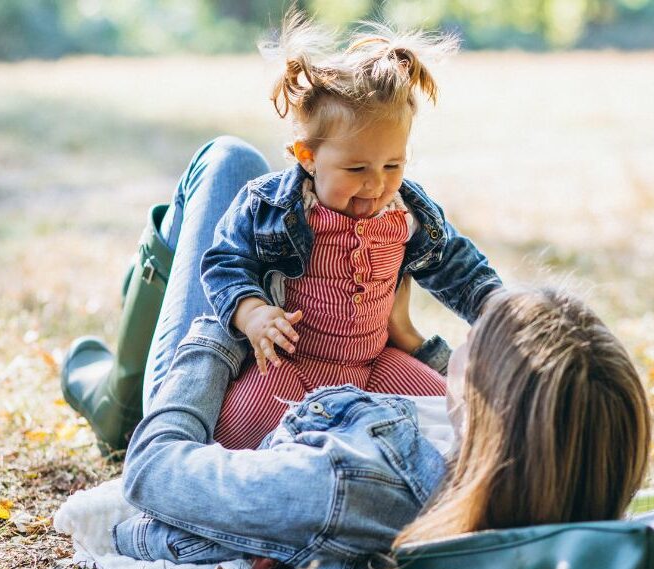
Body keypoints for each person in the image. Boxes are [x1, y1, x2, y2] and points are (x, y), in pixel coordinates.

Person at [113, 286, 652, 569]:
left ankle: (117, 393)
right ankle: (103, 384)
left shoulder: (341, 485)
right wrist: (414, 341)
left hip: (210, 393)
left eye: (477, 337)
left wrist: (222, 325)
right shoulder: (558, 465)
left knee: (227, 162)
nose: (462, 341)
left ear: (486, 394)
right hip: (290, 370)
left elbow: (153, 471)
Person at [200, 14, 502, 449]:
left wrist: (504, 312)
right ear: (307, 156)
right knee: (234, 437)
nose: (376, 183)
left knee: (464, 424)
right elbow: (225, 262)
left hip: (374, 364)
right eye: (356, 168)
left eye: (393, 165)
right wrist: (251, 313)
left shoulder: (407, 212)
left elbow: (459, 267)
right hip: (292, 364)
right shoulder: (271, 206)